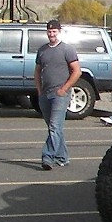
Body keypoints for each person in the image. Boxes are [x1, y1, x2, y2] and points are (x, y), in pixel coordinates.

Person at [34, 19, 81, 170]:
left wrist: (64, 89)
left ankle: (47, 157)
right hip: (45, 94)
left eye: (54, 31)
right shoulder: (42, 50)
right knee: (54, 128)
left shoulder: (67, 50)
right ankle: (62, 157)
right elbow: (37, 71)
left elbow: (77, 71)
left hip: (60, 95)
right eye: (49, 31)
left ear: (59, 32)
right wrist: (39, 90)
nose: (51, 34)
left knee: (54, 127)